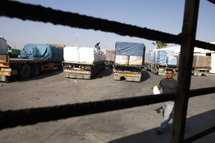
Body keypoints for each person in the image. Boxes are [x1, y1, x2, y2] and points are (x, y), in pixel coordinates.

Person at [156, 68, 177, 135]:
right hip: (164, 100)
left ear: (173, 74)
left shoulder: (176, 83)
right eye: (167, 73)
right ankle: (170, 113)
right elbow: (158, 87)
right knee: (165, 112)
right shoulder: (162, 81)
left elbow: (179, 92)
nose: (168, 75)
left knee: (166, 115)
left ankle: (161, 129)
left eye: (170, 73)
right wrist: (155, 89)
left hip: (171, 101)